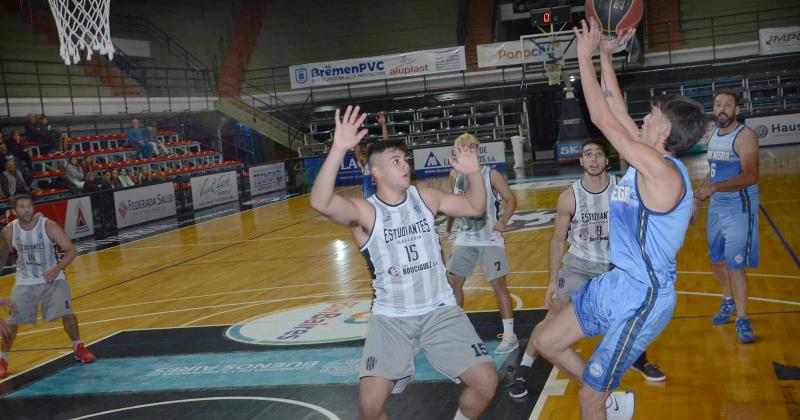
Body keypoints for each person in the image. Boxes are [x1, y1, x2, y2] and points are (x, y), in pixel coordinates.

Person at [532, 19, 706, 419]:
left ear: (665, 131)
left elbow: (602, 116)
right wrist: (607, 57)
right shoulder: (647, 153)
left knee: (587, 398)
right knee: (547, 341)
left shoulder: (661, 171)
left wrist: (583, 56)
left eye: (653, 115)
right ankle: (610, 399)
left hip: (643, 297)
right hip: (617, 281)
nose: (645, 117)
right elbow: (616, 108)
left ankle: (600, 398)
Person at [309, 105, 498, 420]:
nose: (405, 164)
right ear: (377, 171)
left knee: (486, 382)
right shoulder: (366, 213)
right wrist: (339, 148)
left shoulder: (425, 198)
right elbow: (320, 202)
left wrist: (473, 173)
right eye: (395, 161)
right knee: (370, 409)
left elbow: (476, 206)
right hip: (391, 318)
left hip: (439, 310)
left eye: (405, 159)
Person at [509, 139, 665, 400]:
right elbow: (558, 240)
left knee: (630, 314)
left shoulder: (621, 188)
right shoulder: (569, 196)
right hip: (578, 265)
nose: (593, 159)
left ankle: (638, 358)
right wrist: (551, 281)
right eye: (588, 155)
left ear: (607, 160)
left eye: (598, 154)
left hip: (613, 265)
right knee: (554, 318)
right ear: (580, 161)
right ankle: (523, 369)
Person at [0, 193, 96, 378]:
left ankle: (78, 347)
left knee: (67, 313)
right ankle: (2, 359)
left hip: (53, 278)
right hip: (25, 280)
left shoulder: (48, 225)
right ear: (13, 211)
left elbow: (71, 250)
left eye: (29, 205)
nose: (27, 209)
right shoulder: (9, 231)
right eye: (22, 207)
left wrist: (57, 268)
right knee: (12, 322)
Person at [693, 90, 760, 343]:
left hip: (740, 208)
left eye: (728, 105)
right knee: (717, 261)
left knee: (735, 266)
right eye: (718, 104)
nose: (722, 109)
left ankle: (742, 319)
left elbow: (751, 175)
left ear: (737, 110)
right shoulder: (714, 135)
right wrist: (699, 198)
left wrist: (715, 188)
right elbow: (713, 173)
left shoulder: (745, 137)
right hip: (717, 207)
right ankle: (728, 302)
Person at [442, 133, 518, 355]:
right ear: (456, 151)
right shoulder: (454, 174)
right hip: (465, 237)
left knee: (498, 286)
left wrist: (503, 220)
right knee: (453, 283)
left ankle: (510, 335)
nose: (466, 150)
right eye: (461, 147)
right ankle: (454, 332)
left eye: (470, 147)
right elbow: (453, 203)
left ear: (477, 150)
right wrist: (448, 228)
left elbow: (511, 199)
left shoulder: (491, 174)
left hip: (489, 237)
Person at [352, 111, 389, 198]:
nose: (370, 150)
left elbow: (386, 143)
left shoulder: (381, 159)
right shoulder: (363, 161)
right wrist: (354, 130)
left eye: (372, 147)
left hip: (383, 196)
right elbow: (356, 149)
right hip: (369, 199)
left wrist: (383, 124)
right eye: (368, 148)